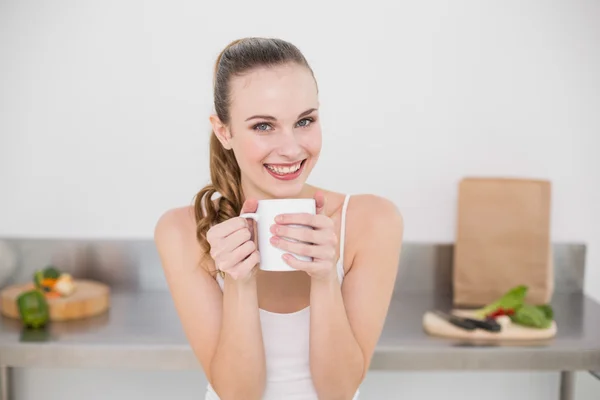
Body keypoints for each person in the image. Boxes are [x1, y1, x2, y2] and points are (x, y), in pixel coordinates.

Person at [154, 37, 404, 400]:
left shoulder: (371, 221)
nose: (291, 148)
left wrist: (324, 278)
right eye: (263, 126)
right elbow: (239, 394)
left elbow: (339, 391)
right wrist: (238, 281)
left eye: (305, 120)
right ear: (224, 131)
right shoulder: (183, 231)